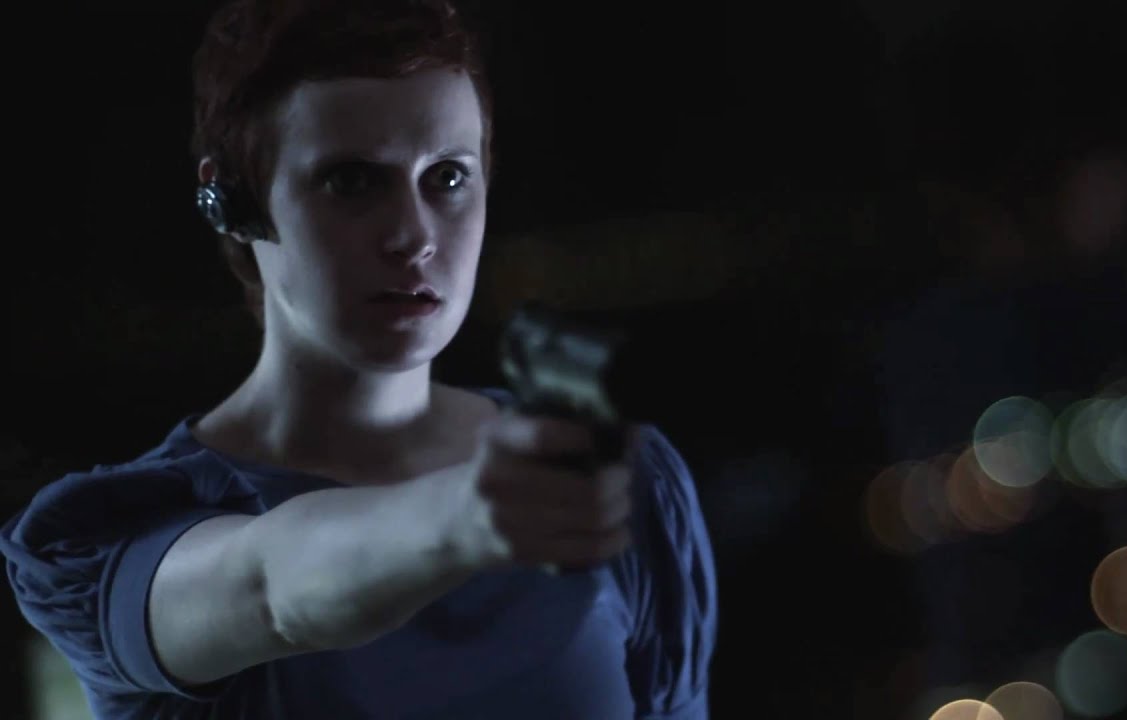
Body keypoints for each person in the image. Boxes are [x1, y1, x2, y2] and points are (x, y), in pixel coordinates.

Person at [0, 1, 717, 718]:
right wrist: (466, 518)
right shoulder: (120, 541)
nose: (414, 235)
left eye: (448, 177)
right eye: (352, 181)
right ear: (232, 198)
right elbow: (272, 589)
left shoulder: (615, 482)